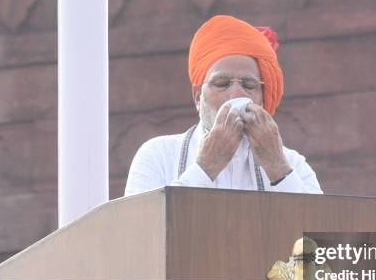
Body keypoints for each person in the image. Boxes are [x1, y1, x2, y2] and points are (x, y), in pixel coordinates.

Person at [124, 15, 322, 196]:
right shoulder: (159, 155)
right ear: (197, 98)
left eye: (249, 85)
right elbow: (139, 229)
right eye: (222, 84)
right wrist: (205, 168)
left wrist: (277, 166)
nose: (236, 94)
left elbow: (318, 234)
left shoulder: (293, 163)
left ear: (261, 100)